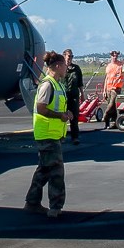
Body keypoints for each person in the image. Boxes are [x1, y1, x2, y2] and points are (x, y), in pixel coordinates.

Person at [25, 51, 69, 218]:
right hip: (47, 135)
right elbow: (41, 108)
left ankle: (32, 202)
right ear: (57, 66)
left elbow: (55, 107)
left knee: (44, 170)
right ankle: (55, 207)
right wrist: (60, 116)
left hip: (53, 134)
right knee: (57, 172)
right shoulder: (47, 85)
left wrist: (65, 114)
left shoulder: (57, 84)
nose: (66, 68)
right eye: (64, 65)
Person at [101, 50, 124, 130]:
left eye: (116, 56)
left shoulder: (121, 65)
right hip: (108, 89)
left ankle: (105, 115)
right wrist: (104, 91)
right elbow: (106, 78)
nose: (114, 57)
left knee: (111, 105)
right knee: (113, 107)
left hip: (116, 89)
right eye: (113, 55)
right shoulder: (109, 66)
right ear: (111, 56)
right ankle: (110, 123)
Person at [62, 49, 84, 143]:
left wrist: (82, 94)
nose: (70, 58)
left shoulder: (76, 68)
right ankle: (61, 136)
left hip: (74, 95)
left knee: (74, 117)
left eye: (71, 56)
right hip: (63, 96)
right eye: (69, 56)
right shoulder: (61, 68)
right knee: (62, 117)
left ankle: (75, 137)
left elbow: (80, 83)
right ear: (64, 56)